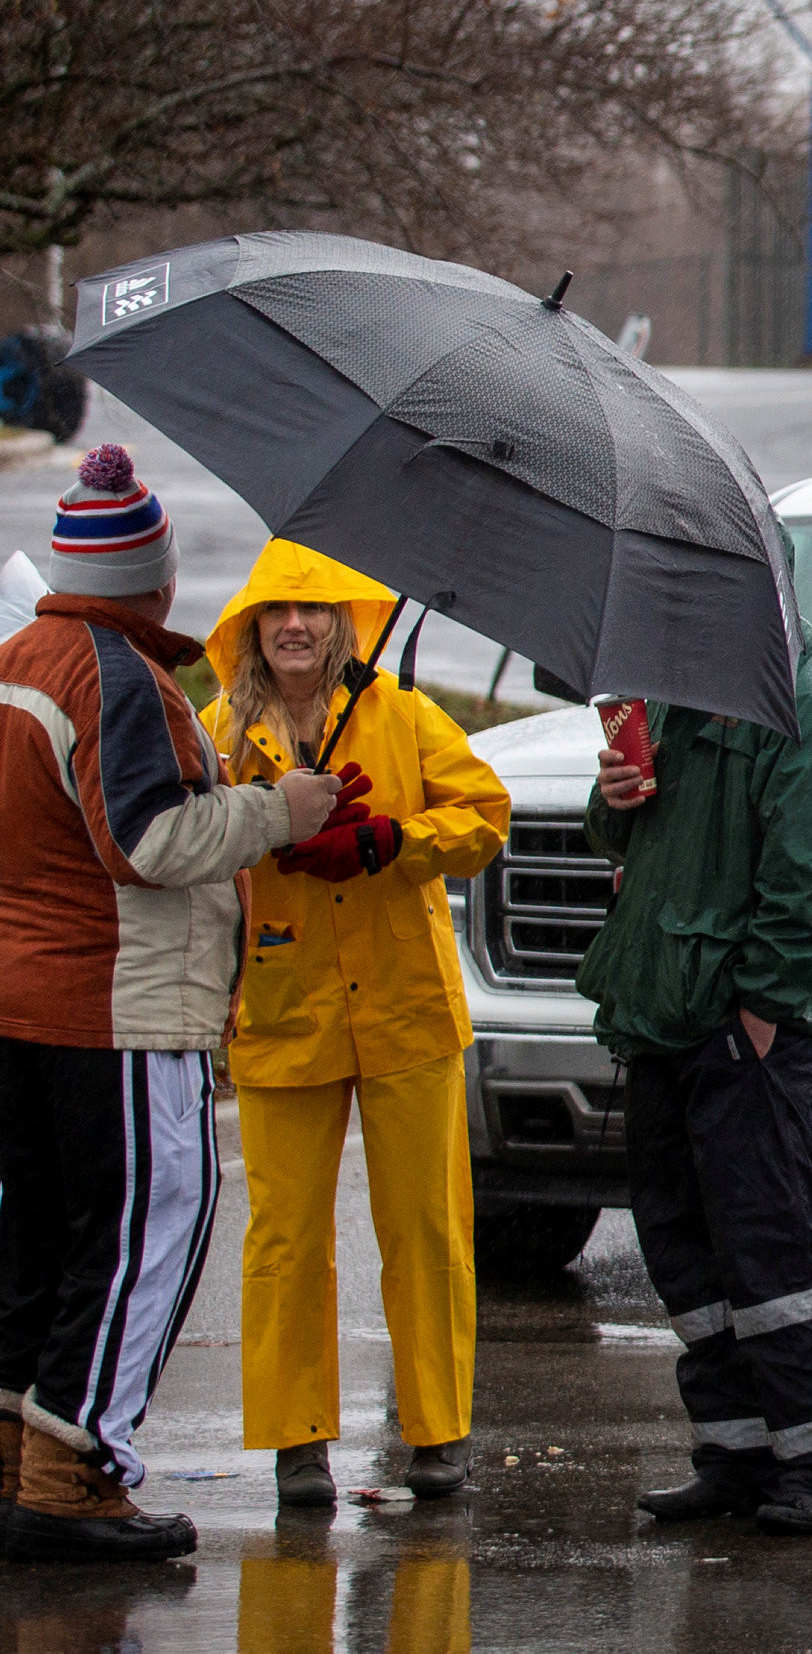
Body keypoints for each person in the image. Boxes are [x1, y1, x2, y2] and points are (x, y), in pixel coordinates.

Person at [0, 448, 340, 1563]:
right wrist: (276, 810)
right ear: (148, 577)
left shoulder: (21, 659)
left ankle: (21, 1462)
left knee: (44, 1244)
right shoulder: (113, 675)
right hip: (120, 1010)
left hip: (31, 1003)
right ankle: (78, 1472)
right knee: (147, 1235)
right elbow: (149, 841)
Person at [202, 543, 511, 1508]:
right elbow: (187, 847)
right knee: (285, 1238)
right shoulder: (218, 731)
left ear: (345, 622)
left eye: (316, 609)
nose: (295, 626)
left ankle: (438, 1431)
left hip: (406, 1007)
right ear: (250, 626)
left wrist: (393, 841)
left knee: (424, 1226)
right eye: (277, 611)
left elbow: (485, 816)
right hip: (282, 1008)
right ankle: (298, 1441)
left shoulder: (401, 714)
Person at [582, 604, 812, 1537]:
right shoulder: (673, 698)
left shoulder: (811, 708)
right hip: (663, 1021)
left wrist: (758, 1016)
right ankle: (736, 1452)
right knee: (685, 1248)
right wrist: (615, 798)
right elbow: (629, 845)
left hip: (744, 1036)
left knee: (773, 1251)